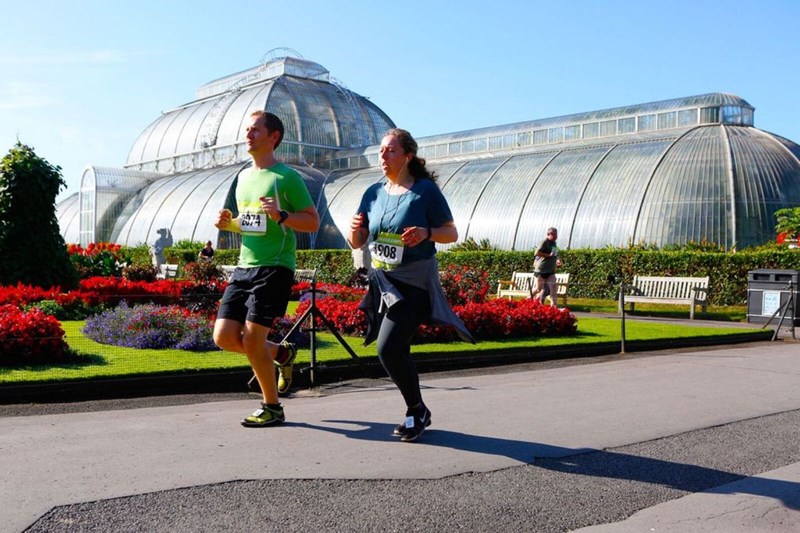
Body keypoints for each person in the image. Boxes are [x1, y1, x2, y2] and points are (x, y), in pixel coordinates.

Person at [348, 128, 474, 443]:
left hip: (415, 282)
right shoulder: (373, 193)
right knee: (398, 348)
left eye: (390, 150)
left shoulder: (425, 192)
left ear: (407, 156)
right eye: (381, 150)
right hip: (383, 283)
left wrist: (426, 233)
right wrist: (354, 230)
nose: (383, 155)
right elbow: (358, 241)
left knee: (388, 347)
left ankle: (416, 409)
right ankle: (418, 411)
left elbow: (451, 233)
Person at [213, 110, 320, 427]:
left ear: (274, 137)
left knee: (251, 340)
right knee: (223, 337)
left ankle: (272, 407)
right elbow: (248, 224)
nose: (248, 135)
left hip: (275, 267)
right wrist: (228, 224)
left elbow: (312, 221)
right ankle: (281, 354)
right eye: (247, 130)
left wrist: (282, 215)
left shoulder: (287, 178)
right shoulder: (243, 178)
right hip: (244, 267)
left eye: (255, 130)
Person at [531, 227, 563, 307]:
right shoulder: (544, 242)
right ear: (548, 234)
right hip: (541, 270)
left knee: (553, 288)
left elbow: (554, 255)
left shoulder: (554, 243)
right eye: (554, 235)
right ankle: (527, 299)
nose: (556, 236)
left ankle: (554, 307)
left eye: (556, 235)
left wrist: (557, 261)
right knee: (538, 289)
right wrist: (548, 255)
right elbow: (536, 253)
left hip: (550, 271)